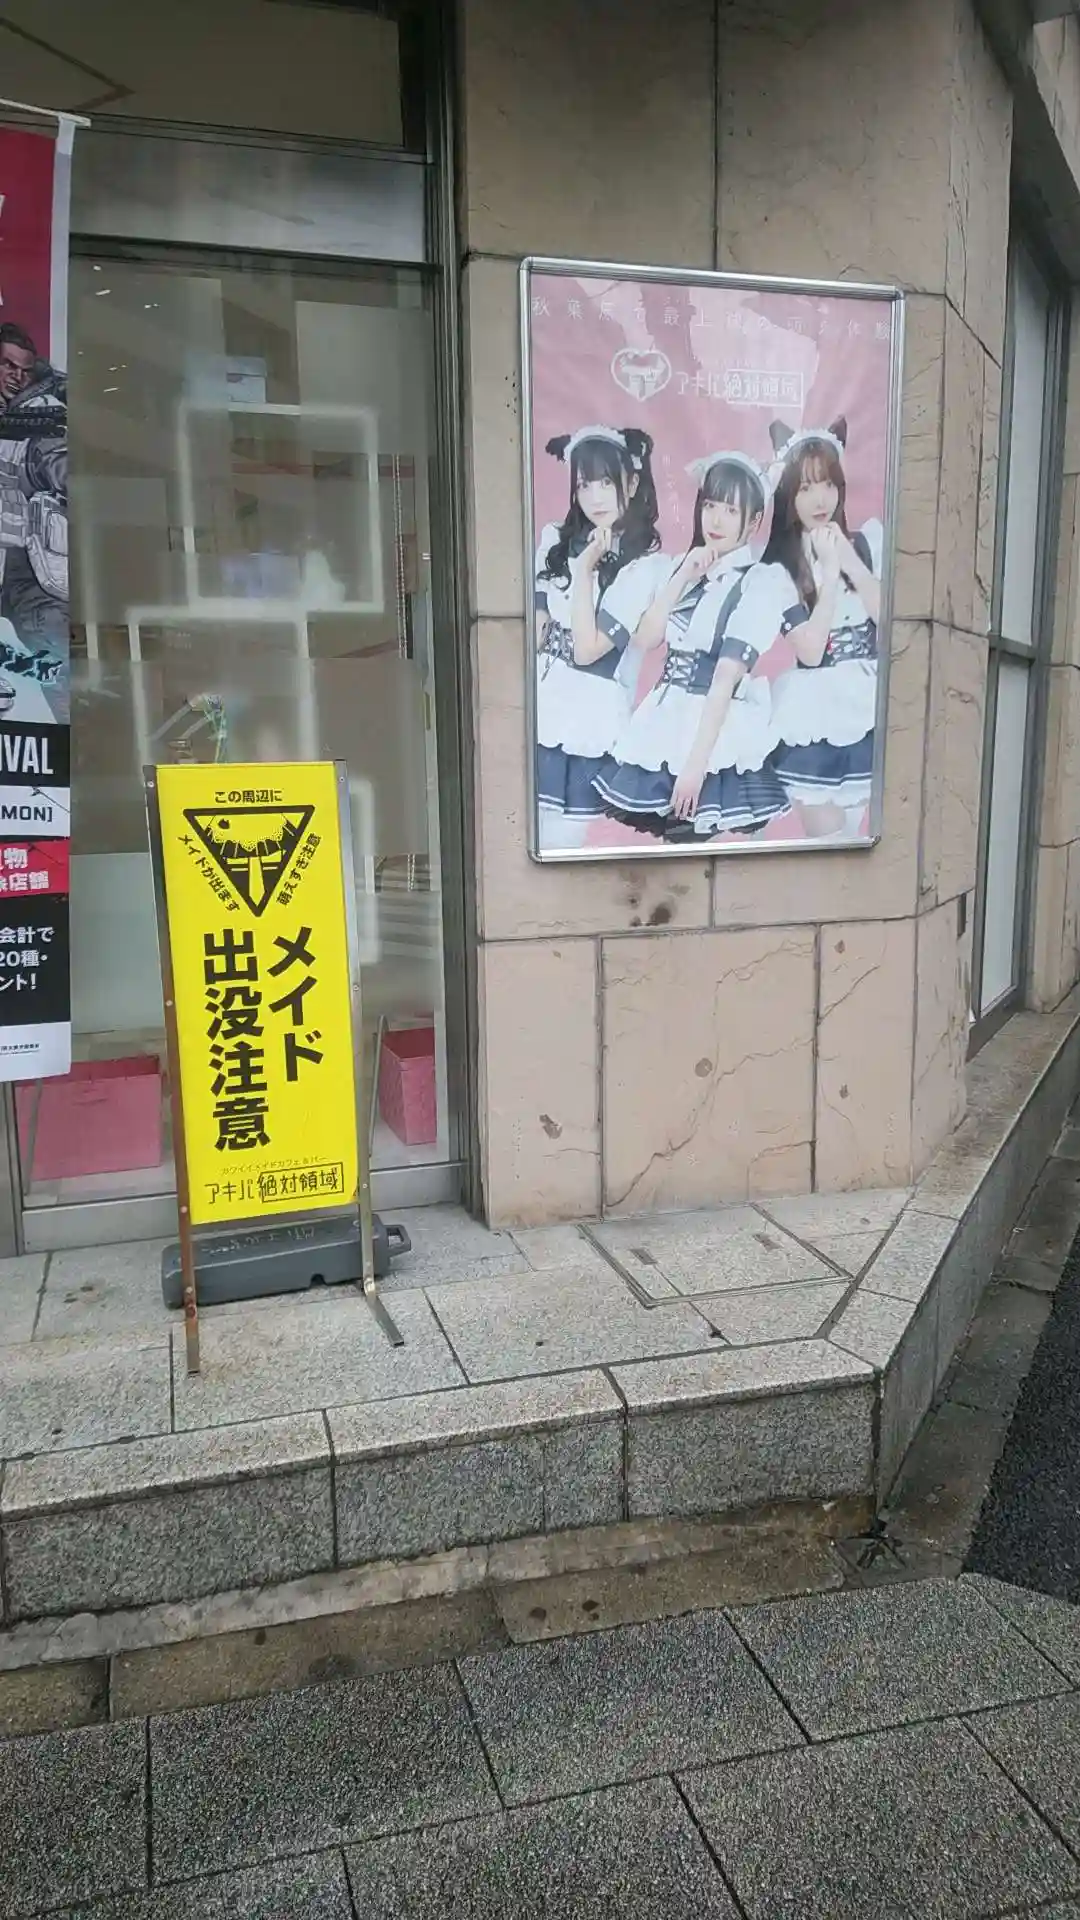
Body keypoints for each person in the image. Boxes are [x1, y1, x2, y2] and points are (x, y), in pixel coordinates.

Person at [591, 451, 791, 841]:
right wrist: (683, 575)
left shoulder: (757, 583)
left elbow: (725, 679)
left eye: (730, 511)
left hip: (714, 736)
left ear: (753, 522)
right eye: (710, 505)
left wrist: (695, 768)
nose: (715, 520)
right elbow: (646, 639)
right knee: (673, 850)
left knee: (705, 846)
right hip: (665, 720)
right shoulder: (684, 569)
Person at [534, 425, 666, 851]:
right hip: (543, 704)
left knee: (563, 845)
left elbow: (588, 650)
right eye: (584, 485)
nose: (594, 497)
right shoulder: (554, 541)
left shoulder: (643, 568)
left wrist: (583, 572)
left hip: (589, 717)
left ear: (632, 482)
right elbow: (536, 631)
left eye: (606, 482)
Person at [762, 416, 882, 841]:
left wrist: (849, 560)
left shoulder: (867, 543)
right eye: (806, 488)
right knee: (829, 846)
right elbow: (811, 653)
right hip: (814, 714)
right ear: (789, 494)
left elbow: (891, 621)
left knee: (858, 844)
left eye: (828, 485)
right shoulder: (778, 568)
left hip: (868, 707)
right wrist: (829, 576)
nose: (820, 499)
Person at [0, 322, 69, 712]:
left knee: (55, 677)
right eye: (8, 366)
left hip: (33, 573)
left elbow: (59, 463)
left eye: (24, 370)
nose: (17, 377)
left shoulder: (41, 413)